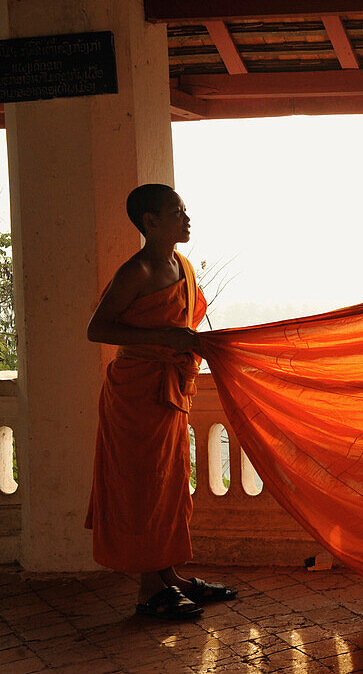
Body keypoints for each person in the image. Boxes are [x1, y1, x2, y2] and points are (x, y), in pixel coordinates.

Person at [86, 183, 237, 620]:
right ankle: (149, 590)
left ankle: (171, 577)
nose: (186, 219)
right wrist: (165, 338)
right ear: (150, 222)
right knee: (141, 486)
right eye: (176, 212)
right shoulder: (137, 272)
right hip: (135, 393)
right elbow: (98, 330)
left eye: (185, 210)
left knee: (169, 484)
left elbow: (183, 322)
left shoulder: (182, 265)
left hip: (170, 388)